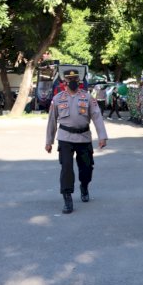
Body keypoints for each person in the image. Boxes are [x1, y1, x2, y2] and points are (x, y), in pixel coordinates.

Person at [45, 70, 108, 214]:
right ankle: (67, 198)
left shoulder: (87, 98)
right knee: (66, 168)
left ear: (79, 81)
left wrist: (102, 136)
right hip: (65, 137)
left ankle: (84, 186)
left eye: (75, 79)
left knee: (86, 168)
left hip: (84, 137)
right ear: (65, 82)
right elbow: (52, 121)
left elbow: (97, 117)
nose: (73, 82)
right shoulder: (58, 98)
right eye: (70, 79)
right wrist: (49, 141)